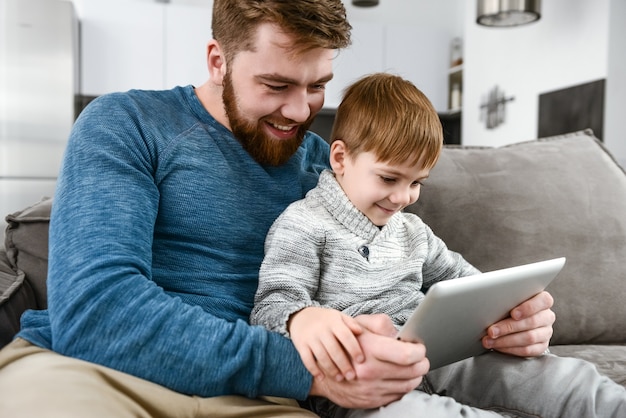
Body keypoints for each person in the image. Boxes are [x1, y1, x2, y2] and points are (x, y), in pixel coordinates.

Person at [0, 2, 430, 417]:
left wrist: (484, 323)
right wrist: (308, 371)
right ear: (218, 60)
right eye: (276, 85)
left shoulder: (333, 168)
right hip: (95, 372)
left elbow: (398, 273)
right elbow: (95, 310)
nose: (301, 111)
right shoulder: (127, 122)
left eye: (317, 86)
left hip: (261, 398)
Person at [251, 72, 626, 417]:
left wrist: (509, 312)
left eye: (416, 183)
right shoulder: (302, 224)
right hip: (362, 377)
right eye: (389, 178)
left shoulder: (413, 231)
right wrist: (304, 319)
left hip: (442, 356)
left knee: (567, 380)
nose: (402, 197)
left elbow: (470, 283)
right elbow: (273, 305)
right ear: (340, 158)